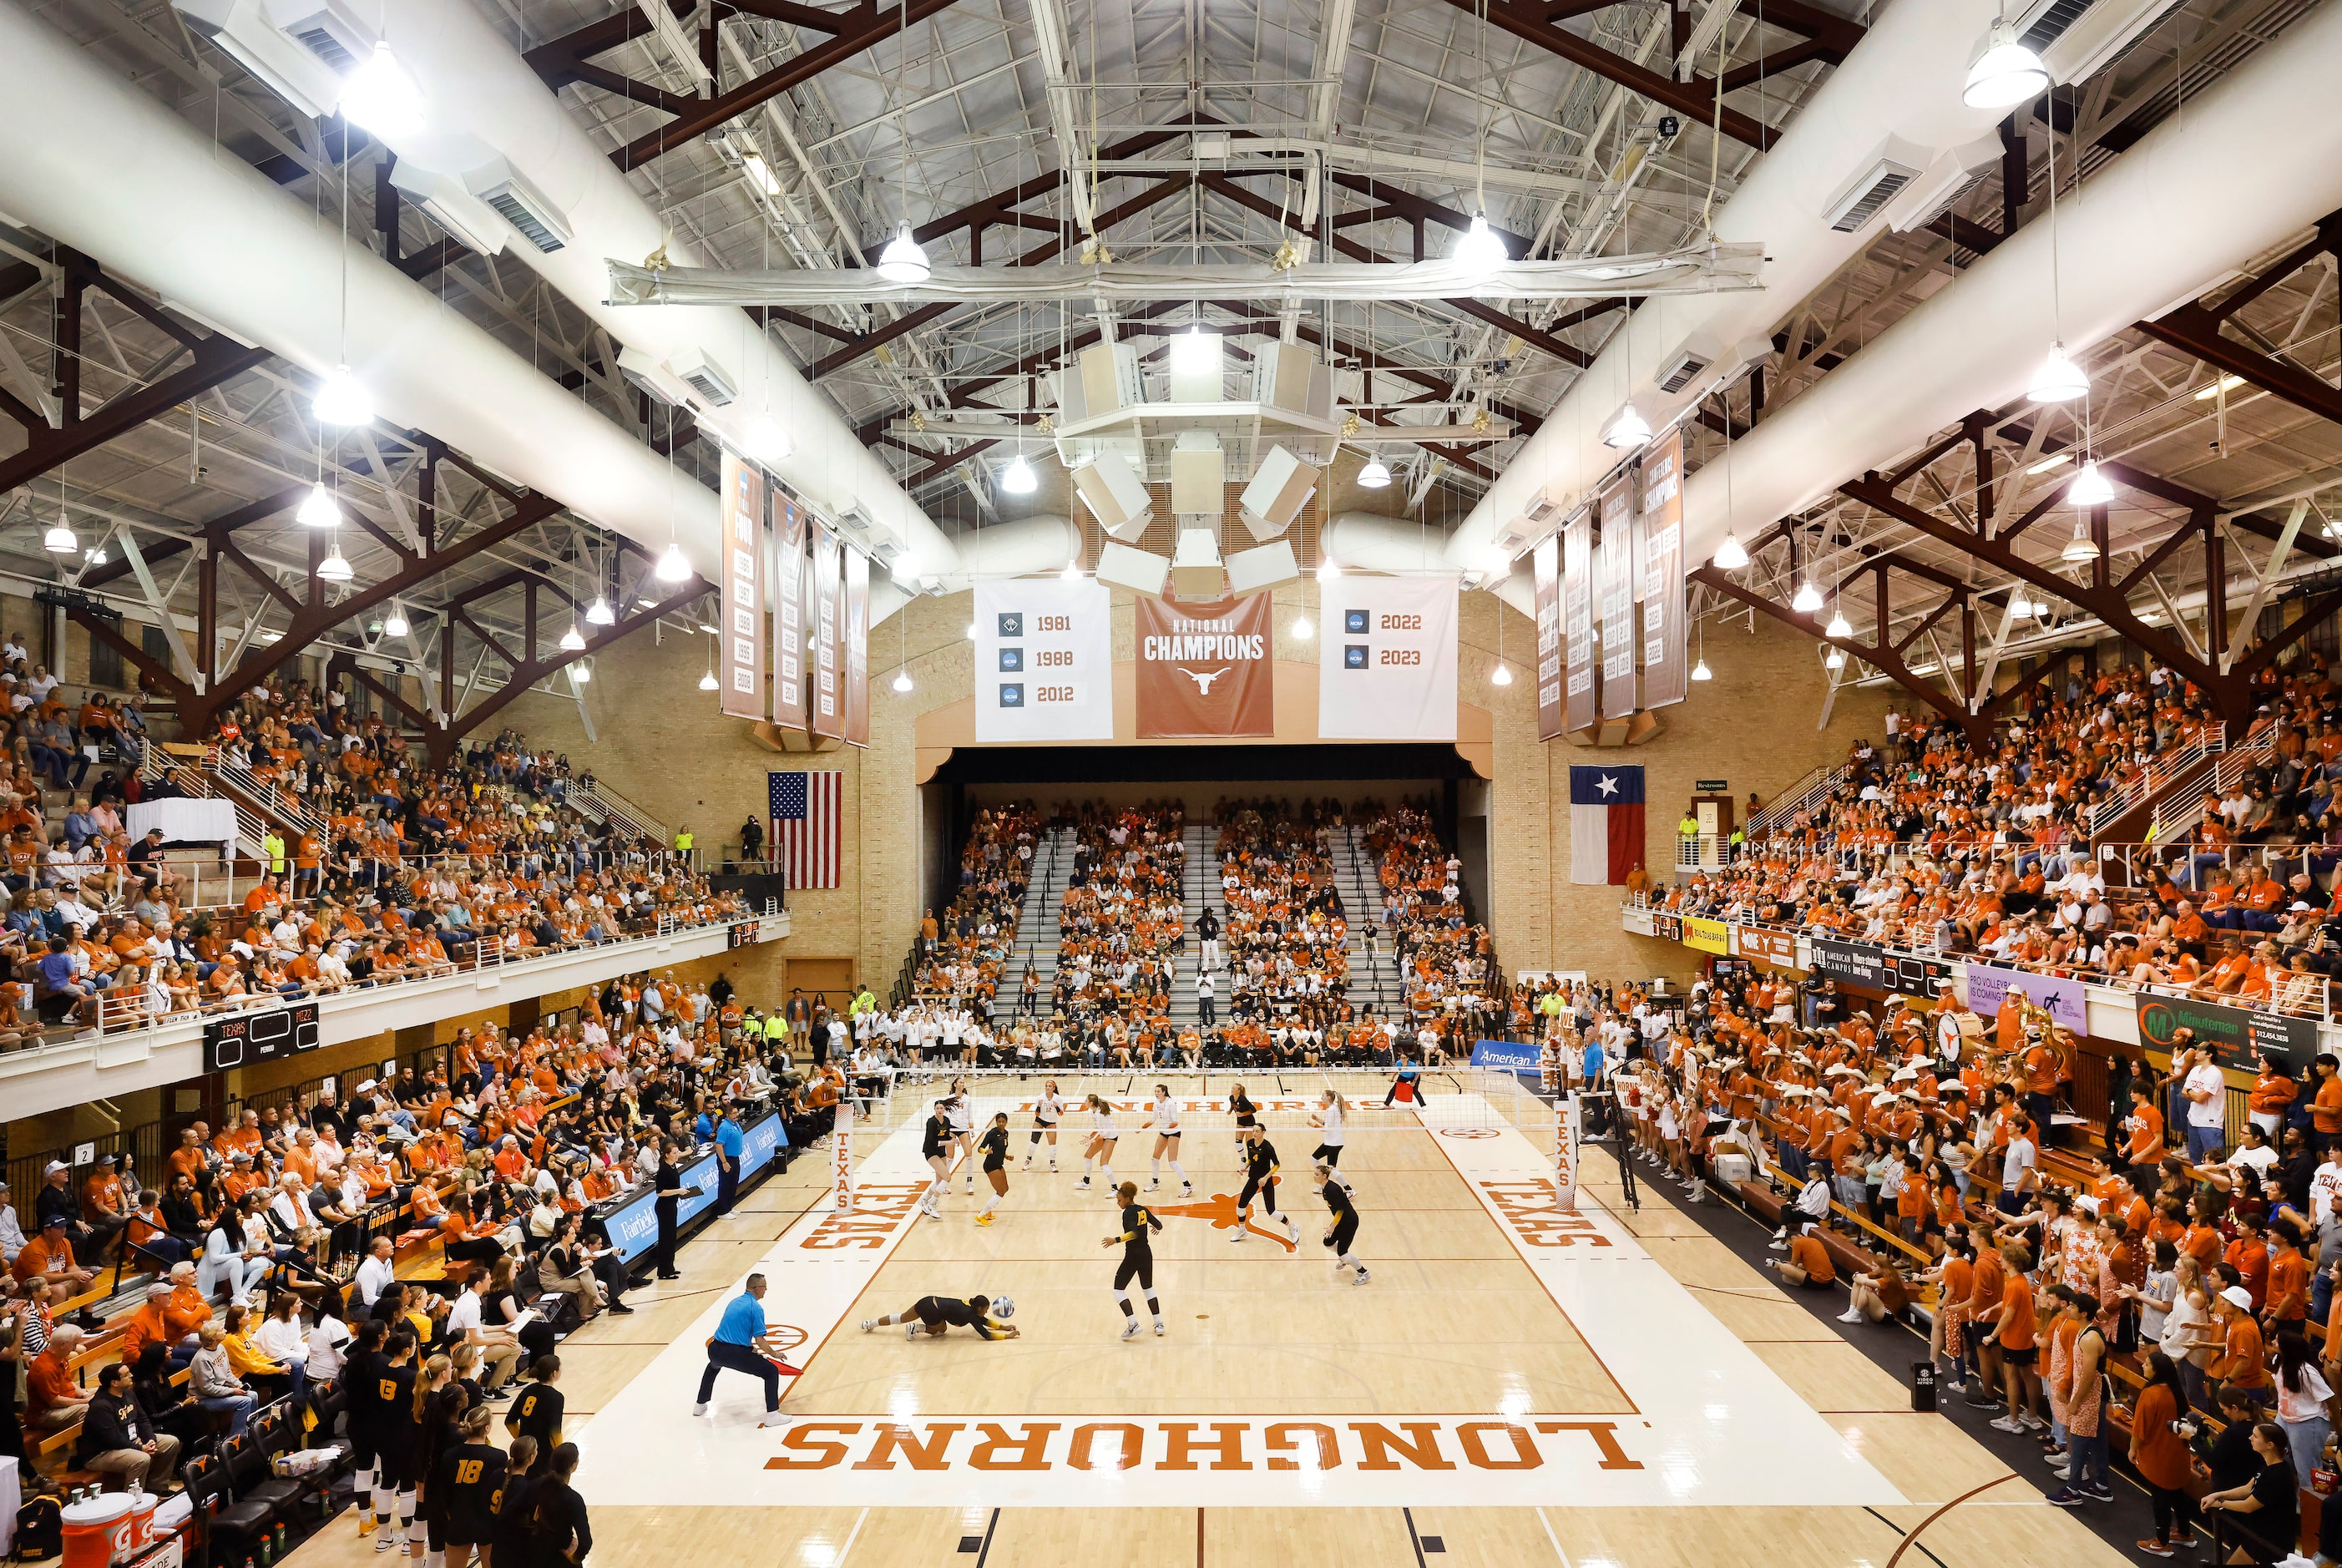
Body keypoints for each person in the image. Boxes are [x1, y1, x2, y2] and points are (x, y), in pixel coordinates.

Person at [693, 1277, 797, 1429]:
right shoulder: (756, 1308)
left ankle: (700, 1404)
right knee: (771, 1371)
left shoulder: (734, 1302)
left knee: (713, 1367)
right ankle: (773, 1415)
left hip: (715, 1349)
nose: (766, 1290)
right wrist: (774, 1354)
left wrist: (749, 1347)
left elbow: (735, 1328)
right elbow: (760, 1340)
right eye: (764, 1286)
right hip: (735, 1354)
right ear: (757, 1289)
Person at [2200, 1422, 2300, 1565]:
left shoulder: (2278, 1474)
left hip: (2272, 1541)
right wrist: (2217, 1494)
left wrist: (2219, 1502)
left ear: (2270, 1445)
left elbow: (2248, 1506)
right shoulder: (2266, 1464)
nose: (2250, 1438)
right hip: (2258, 1534)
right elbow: (2247, 1488)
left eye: (2255, 1436)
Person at [2129, 1349, 2198, 1558]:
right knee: (2177, 1493)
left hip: (2158, 1454)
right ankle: (2185, 1534)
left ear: (2157, 1371)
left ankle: (2162, 1543)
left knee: (2160, 1498)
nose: (2143, 1366)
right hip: (2179, 1454)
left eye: (2147, 1364)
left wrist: (2132, 1449)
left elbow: (2140, 1429)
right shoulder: (2178, 1392)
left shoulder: (2150, 1394)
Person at [74, 1361, 181, 1493]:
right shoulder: (100, 1406)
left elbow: (142, 1419)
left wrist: (150, 1439)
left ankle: (157, 1486)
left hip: (129, 1441)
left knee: (171, 1442)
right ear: (114, 1382)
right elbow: (111, 1439)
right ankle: (132, 1499)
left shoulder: (128, 1394)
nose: (131, 1375)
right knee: (141, 1459)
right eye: (126, 1375)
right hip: (101, 1453)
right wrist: (140, 1448)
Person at [432, 1404, 508, 1568]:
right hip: (487, 1522)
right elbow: (501, 1494)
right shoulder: (499, 1457)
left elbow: (443, 1494)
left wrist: (453, 1516)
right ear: (487, 1428)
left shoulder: (450, 1455)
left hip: (459, 1520)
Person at [1102, 1180, 1164, 1340]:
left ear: (1128, 1198)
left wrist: (1115, 1240)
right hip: (1146, 1254)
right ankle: (1158, 1324)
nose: (1118, 1203)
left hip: (1133, 1255)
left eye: (1120, 1200)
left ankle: (1133, 1324)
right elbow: (1159, 1225)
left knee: (1118, 1290)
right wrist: (1155, 1229)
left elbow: (1133, 1233)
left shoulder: (1127, 1213)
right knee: (1148, 1288)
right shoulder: (1143, 1209)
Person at [526, 1444, 590, 1568]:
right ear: (574, 1465)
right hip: (561, 1559)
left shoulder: (534, 1486)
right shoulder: (573, 1499)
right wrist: (574, 1558)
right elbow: (586, 1542)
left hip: (535, 1555)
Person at [1232, 1125, 1299, 1246]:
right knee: (1240, 1207)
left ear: (1263, 1132)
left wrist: (1265, 1178)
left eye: (1257, 1131)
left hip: (1266, 1180)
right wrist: (1244, 1167)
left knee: (1272, 1212)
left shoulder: (1268, 1147)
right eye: (1253, 1131)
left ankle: (1292, 1227)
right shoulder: (1250, 1143)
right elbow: (1250, 1159)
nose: (1254, 1133)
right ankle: (1242, 1230)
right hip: (1253, 1179)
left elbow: (1277, 1165)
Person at [505, 1357, 571, 1474]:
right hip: (544, 1453)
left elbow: (510, 1421)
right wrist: (560, 1456)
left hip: (526, 1451)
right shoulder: (556, 1397)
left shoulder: (528, 1390)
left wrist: (522, 1439)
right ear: (554, 1373)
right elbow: (554, 1432)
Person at [858, 1293, 1018, 1340]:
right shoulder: (971, 1316)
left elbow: (985, 1321)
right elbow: (986, 1334)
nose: (987, 1312)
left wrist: (1004, 1327)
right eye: (986, 1309)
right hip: (933, 1312)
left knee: (900, 1317)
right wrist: (1008, 1336)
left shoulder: (971, 1308)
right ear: (980, 1308)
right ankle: (916, 1328)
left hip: (928, 1300)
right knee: (941, 1331)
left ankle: (870, 1324)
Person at [1316, 1160, 1369, 1285]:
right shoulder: (1325, 1188)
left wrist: (1332, 1226)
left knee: (1343, 1252)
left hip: (1349, 1221)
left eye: (1317, 1174)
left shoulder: (1332, 1189)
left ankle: (1364, 1273)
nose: (1314, 1176)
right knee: (1328, 1242)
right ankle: (1344, 1260)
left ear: (1324, 1176)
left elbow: (1340, 1210)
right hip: (1342, 1220)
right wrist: (1333, 1225)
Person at [650, 1140, 696, 1281]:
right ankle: (663, 1271)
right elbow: (660, 1192)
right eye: (675, 1153)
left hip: (671, 1205)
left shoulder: (673, 1165)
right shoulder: (663, 1170)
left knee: (671, 1238)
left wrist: (682, 1192)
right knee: (665, 1239)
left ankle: (670, 1267)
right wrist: (678, 1191)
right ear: (667, 1155)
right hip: (664, 1207)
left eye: (678, 1152)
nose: (678, 1155)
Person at [1144, 1085, 1191, 1195]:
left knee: (1172, 1162)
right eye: (1155, 1091)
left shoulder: (1171, 1103)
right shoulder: (1156, 1103)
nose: (1156, 1094)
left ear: (1164, 1092)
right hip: (1163, 1133)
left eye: (1158, 1092)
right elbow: (1153, 1119)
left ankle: (1188, 1186)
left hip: (1173, 1132)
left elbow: (1175, 1122)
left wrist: (1165, 1128)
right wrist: (1142, 1128)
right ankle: (1155, 1184)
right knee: (1155, 1158)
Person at [918, 1100, 953, 1222]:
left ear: (944, 1109)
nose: (939, 1110)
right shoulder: (931, 1122)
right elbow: (931, 1141)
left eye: (941, 1108)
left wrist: (953, 1140)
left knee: (939, 1181)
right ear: (934, 1109)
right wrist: (947, 1142)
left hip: (941, 1152)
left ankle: (924, 1199)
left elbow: (947, 1137)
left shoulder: (947, 1121)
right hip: (931, 1151)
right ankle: (932, 1204)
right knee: (947, 1178)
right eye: (937, 1108)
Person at [974, 1114, 1012, 1227]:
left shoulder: (1006, 1133)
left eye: (1003, 1121)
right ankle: (980, 1216)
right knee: (1000, 1192)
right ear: (996, 1122)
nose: (1001, 1123)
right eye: (999, 1121)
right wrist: (986, 1152)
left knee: (1005, 1189)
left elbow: (1001, 1149)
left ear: (1006, 1122)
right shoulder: (991, 1134)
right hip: (991, 1166)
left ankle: (988, 1211)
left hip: (999, 1164)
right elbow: (979, 1148)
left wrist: (1006, 1156)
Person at [1024, 1080, 1063, 1171]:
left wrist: (1056, 1107)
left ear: (1053, 1088)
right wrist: (1039, 1106)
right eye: (1046, 1086)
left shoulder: (1058, 1099)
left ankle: (1052, 1164)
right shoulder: (1040, 1098)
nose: (1048, 1087)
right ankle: (1028, 1160)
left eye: (1050, 1086)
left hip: (1051, 1122)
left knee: (1052, 1144)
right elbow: (1037, 1114)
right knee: (1033, 1141)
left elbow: (1061, 1114)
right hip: (1040, 1121)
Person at [1309, 1090, 1348, 1169]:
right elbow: (1329, 1125)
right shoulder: (1333, 1108)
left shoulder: (1332, 1110)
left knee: (1332, 1169)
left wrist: (1314, 1125)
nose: (1321, 1098)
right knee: (1313, 1159)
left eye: (1323, 1096)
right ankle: (1324, 1174)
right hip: (1331, 1142)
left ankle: (1327, 1175)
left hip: (1334, 1144)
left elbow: (1327, 1129)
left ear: (1328, 1098)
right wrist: (1316, 1119)